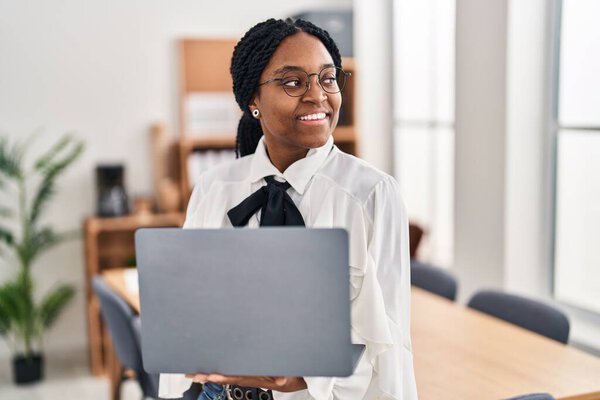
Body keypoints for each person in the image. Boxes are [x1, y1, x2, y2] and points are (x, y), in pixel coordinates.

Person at [159, 18, 417, 400]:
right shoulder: (214, 188)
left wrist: (304, 377)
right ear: (253, 100)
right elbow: (190, 314)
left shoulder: (372, 194)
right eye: (294, 82)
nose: (318, 95)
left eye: (328, 78)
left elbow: (389, 339)